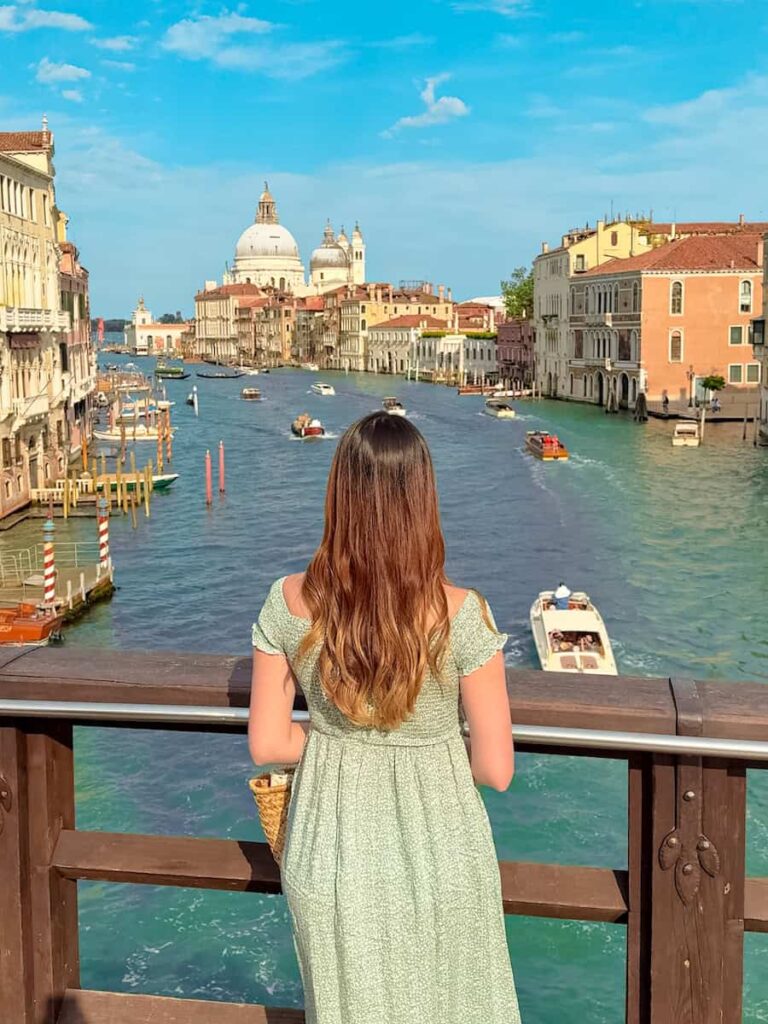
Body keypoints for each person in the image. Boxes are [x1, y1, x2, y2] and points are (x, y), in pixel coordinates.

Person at [249, 412, 521, 1024]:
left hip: (332, 855)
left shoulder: (287, 602)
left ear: (340, 495)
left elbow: (267, 741)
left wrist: (338, 742)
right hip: (444, 860)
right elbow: (495, 769)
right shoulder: (464, 617)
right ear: (423, 499)